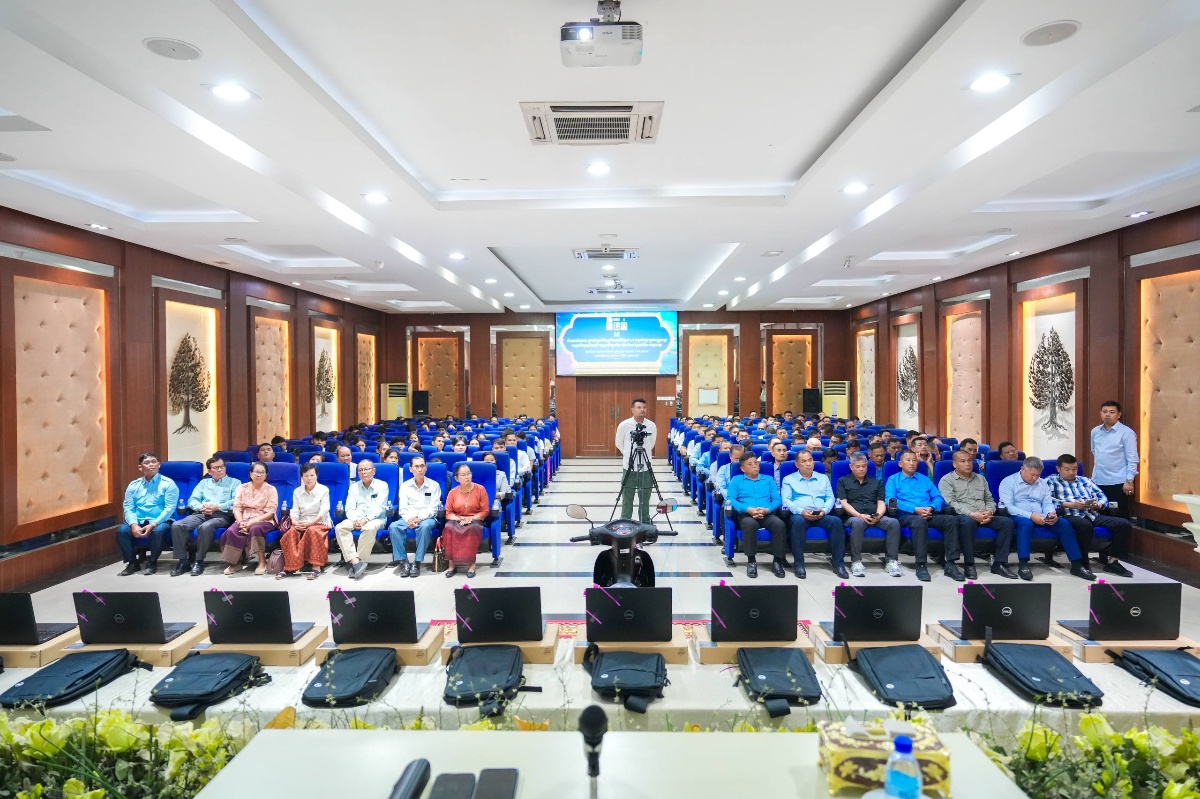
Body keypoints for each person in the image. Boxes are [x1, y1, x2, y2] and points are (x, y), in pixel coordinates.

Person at [999, 456, 1094, 581]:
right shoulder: (1008, 482)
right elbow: (1008, 506)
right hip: (1019, 516)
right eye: (1032, 475)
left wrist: (1051, 513)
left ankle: (1077, 565)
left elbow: (1047, 503)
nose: (1035, 478)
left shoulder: (1043, 483)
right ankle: (1023, 565)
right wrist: (1030, 515)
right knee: (1026, 524)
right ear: (1022, 469)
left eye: (1038, 475)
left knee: (1064, 524)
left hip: (1041, 515)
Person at [1047, 454, 1134, 577]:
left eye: (1074, 469)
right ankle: (1082, 563)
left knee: (1123, 524)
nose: (1072, 472)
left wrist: (1098, 504)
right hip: (1069, 514)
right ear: (1058, 469)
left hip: (1092, 513)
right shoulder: (1051, 481)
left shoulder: (1085, 480)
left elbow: (1102, 496)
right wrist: (1071, 505)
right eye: (1067, 469)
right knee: (1084, 525)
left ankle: (1113, 562)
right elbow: (1047, 500)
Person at [939, 450, 1016, 580]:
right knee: (967, 521)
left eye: (969, 460)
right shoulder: (947, 480)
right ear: (954, 464)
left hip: (984, 514)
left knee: (1007, 523)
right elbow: (951, 503)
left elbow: (989, 500)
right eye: (963, 461)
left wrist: (989, 512)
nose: (967, 464)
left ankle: (999, 563)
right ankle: (969, 564)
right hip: (963, 515)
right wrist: (971, 514)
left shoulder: (980, 479)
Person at [884, 451, 960, 581]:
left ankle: (951, 564)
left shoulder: (924, 479)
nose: (912, 463)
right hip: (906, 516)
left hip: (928, 513)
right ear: (900, 463)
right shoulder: (893, 480)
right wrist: (914, 509)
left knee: (951, 520)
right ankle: (921, 565)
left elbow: (938, 497)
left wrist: (931, 507)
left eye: (914, 460)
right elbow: (890, 500)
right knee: (919, 521)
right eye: (908, 460)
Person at [170, 457, 239, 577]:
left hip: (222, 515)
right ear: (209, 471)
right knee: (177, 525)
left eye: (222, 466)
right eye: (216, 468)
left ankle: (199, 561)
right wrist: (201, 507)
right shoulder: (204, 483)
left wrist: (217, 507)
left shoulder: (234, 482)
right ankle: (183, 561)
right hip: (202, 513)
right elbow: (192, 500)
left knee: (205, 527)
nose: (220, 469)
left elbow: (236, 501)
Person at [836, 452, 901, 577]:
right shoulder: (843, 481)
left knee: (893, 523)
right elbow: (843, 502)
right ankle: (856, 561)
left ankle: (891, 561)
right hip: (854, 516)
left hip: (874, 515)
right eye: (858, 466)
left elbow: (881, 502)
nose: (861, 469)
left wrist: (878, 515)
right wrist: (860, 515)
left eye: (864, 466)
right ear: (851, 467)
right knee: (857, 522)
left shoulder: (877, 482)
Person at [782, 451, 844, 578]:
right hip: (800, 514)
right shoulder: (788, 479)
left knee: (836, 522)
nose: (808, 464)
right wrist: (801, 511)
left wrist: (824, 510)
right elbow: (786, 500)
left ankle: (838, 563)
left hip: (820, 513)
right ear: (797, 464)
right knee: (798, 522)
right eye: (804, 461)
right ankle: (799, 563)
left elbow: (830, 498)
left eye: (810, 460)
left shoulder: (823, 478)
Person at [725, 452, 787, 578]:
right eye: (750, 464)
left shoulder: (768, 480)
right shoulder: (736, 480)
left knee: (779, 525)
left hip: (767, 513)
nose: (754, 466)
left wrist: (767, 510)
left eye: (756, 463)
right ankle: (751, 561)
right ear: (742, 468)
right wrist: (748, 509)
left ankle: (777, 561)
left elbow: (777, 499)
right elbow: (731, 499)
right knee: (749, 525)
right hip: (746, 514)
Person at [116, 453, 179, 576]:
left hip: (161, 520)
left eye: (154, 462)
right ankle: (132, 563)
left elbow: (169, 508)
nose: (151, 465)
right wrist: (133, 524)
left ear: (159, 465)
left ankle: (152, 562)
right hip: (138, 519)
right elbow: (128, 507)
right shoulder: (134, 485)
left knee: (158, 531)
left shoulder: (168, 484)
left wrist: (153, 524)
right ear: (140, 467)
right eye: (147, 462)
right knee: (121, 531)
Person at [220, 461, 277, 576]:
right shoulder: (242, 487)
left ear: (266, 475)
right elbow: (237, 508)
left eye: (262, 472)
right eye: (256, 472)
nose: (259, 475)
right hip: (244, 518)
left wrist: (252, 522)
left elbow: (270, 512)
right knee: (232, 530)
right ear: (251, 474)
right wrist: (241, 522)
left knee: (255, 529)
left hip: (264, 519)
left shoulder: (271, 489)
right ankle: (235, 562)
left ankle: (262, 561)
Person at [335, 460, 388, 580]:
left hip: (375, 519)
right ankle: (356, 562)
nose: (363, 472)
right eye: (360, 470)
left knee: (369, 528)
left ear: (373, 471)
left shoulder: (382, 485)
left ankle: (357, 560)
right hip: (356, 518)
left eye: (366, 469)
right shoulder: (353, 487)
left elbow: (380, 507)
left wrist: (366, 519)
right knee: (340, 527)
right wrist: (355, 520)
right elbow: (349, 508)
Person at [389, 456, 441, 577]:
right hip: (409, 517)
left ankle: (417, 562)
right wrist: (409, 519)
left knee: (424, 527)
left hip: (427, 518)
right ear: (411, 469)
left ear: (426, 468)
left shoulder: (434, 485)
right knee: (394, 527)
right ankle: (404, 561)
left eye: (422, 466)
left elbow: (434, 508)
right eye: (416, 466)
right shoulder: (405, 486)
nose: (420, 469)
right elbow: (403, 508)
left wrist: (420, 518)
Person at [278, 462, 332, 580]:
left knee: (312, 531)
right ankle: (290, 566)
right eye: (306, 476)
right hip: (302, 521)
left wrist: (311, 523)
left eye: (312, 475)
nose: (309, 478)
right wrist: (295, 522)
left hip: (319, 521)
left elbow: (323, 511)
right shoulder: (297, 491)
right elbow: (295, 510)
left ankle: (316, 566)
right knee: (291, 533)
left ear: (316, 476)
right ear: (302, 476)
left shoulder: (323, 490)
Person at [1090, 401, 1139, 520]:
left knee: (1119, 516)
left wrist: (1129, 480)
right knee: (1100, 515)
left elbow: (1132, 458)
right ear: (1100, 413)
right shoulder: (1095, 431)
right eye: (1105, 411)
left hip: (1118, 482)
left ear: (1119, 415)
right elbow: (1094, 451)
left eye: (1112, 412)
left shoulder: (1126, 433)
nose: (1108, 414)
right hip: (1098, 480)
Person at [615, 398, 658, 523]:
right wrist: (628, 454)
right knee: (627, 496)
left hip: (646, 466)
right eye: (639, 407)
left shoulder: (651, 425)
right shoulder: (624, 425)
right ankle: (625, 521)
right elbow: (619, 443)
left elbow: (652, 443)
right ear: (632, 410)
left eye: (644, 407)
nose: (642, 410)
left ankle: (644, 522)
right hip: (629, 466)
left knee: (645, 496)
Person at [443, 462, 489, 578]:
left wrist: (471, 518)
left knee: (472, 528)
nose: (467, 477)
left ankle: (471, 565)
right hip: (457, 519)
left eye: (469, 474)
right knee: (448, 527)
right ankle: (451, 565)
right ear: (456, 478)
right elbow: (448, 513)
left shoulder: (480, 489)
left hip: (475, 519)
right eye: (463, 475)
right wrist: (459, 518)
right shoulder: (452, 492)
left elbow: (484, 511)